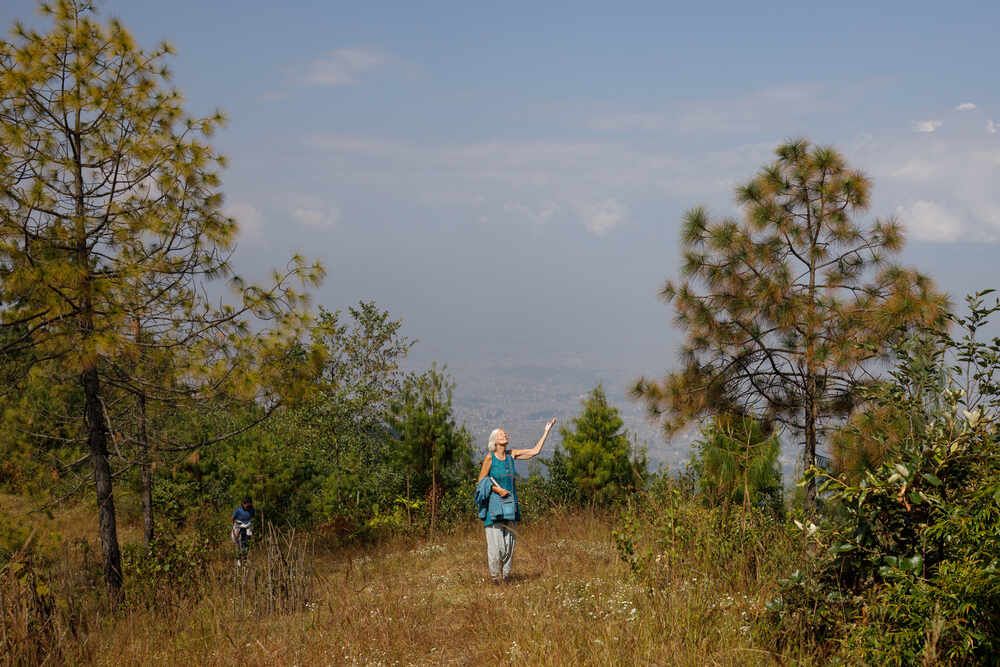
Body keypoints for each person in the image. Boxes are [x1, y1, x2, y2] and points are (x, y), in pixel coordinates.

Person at [476, 418, 556, 583]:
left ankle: (505, 577)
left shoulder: (512, 454)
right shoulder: (490, 458)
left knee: (509, 546)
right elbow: (481, 482)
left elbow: (535, 451)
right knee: (496, 546)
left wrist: (546, 431)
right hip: (495, 507)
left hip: (510, 507)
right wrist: (496, 489)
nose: (505, 434)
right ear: (495, 441)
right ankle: (495, 579)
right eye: (501, 434)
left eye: (505, 433)